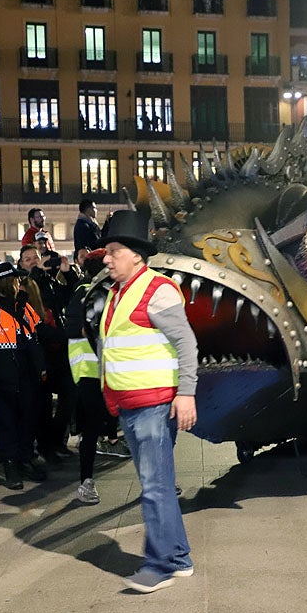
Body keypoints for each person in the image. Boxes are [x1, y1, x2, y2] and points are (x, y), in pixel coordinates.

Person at [97, 210, 198, 593]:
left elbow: (187, 343)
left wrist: (186, 393)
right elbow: (114, 351)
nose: (107, 258)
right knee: (157, 484)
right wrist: (112, 398)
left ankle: (158, 566)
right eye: (107, 251)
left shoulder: (158, 289)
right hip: (131, 406)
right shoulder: (119, 293)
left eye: (114, 250)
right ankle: (178, 558)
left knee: (155, 487)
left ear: (137, 255)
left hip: (155, 407)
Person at [0, 262, 48, 490]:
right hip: (3, 378)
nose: (18, 283)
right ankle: (10, 464)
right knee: (7, 423)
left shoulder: (23, 307)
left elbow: (38, 334)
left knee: (28, 420)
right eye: (15, 280)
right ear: (6, 283)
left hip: (28, 376)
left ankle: (25, 459)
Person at [66, 250, 124, 505]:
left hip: (104, 370)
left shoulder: (107, 291)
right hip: (92, 372)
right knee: (92, 428)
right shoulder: (88, 293)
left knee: (118, 422)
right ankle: (86, 482)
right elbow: (77, 329)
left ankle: (155, 480)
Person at [18, 244, 80, 463]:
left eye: (36, 257)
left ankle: (54, 442)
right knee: (42, 405)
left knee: (69, 396)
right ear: (20, 264)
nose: (34, 261)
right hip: (40, 353)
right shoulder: (21, 285)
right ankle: (46, 447)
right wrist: (37, 271)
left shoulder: (48, 282)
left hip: (59, 352)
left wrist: (67, 272)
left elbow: (73, 295)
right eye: (28, 259)